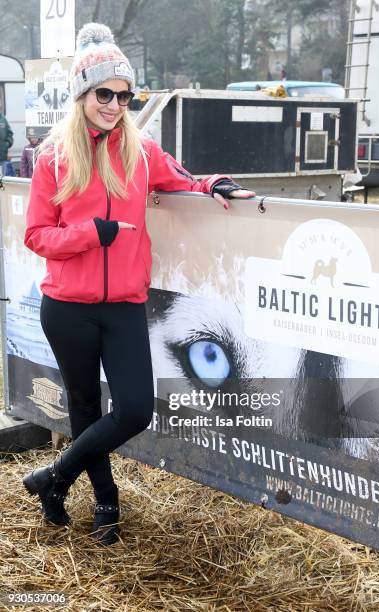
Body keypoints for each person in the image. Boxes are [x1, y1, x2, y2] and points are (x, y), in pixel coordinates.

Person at [22, 23, 256, 546]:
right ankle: (106, 506)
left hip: (125, 304)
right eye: (105, 93)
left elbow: (184, 178)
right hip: (67, 307)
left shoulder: (140, 150)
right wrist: (92, 234)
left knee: (134, 409)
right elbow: (37, 236)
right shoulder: (54, 157)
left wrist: (214, 184)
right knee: (83, 409)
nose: (114, 105)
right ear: (83, 93)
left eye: (124, 96)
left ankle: (53, 480)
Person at [0, 110, 14, 176]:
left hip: (2, 156)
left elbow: (10, 133)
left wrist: (7, 144)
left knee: (2, 179)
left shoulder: (3, 119)